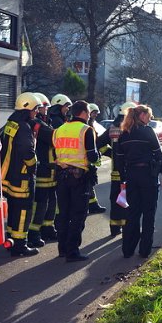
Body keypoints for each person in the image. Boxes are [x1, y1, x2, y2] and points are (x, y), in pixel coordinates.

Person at [116, 104, 162, 258]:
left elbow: (119, 160)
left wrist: (122, 179)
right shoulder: (148, 132)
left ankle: (127, 250)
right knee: (148, 213)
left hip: (131, 176)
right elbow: (159, 156)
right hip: (148, 176)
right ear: (141, 116)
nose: (150, 118)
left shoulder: (124, 134)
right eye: (149, 115)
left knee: (132, 214)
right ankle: (144, 250)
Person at [53, 100, 101, 262]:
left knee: (63, 214)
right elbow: (92, 156)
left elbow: (55, 152)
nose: (89, 116)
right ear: (83, 113)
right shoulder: (86, 130)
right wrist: (98, 158)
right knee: (78, 214)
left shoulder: (59, 130)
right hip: (79, 177)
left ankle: (62, 248)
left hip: (61, 175)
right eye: (88, 113)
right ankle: (72, 251)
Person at [0, 92, 41, 256]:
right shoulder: (24, 128)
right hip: (22, 178)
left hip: (9, 177)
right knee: (23, 210)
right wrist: (33, 167)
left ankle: (11, 239)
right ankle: (20, 245)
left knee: (14, 209)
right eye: (35, 109)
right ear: (27, 108)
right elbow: (27, 152)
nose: (36, 112)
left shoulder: (11, 124)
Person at [97, 101, 138, 236]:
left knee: (116, 199)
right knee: (130, 199)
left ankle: (114, 227)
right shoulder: (131, 128)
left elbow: (98, 144)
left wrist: (111, 154)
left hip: (116, 171)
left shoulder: (112, 128)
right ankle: (127, 227)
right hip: (130, 171)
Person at [27, 92, 58, 247]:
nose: (46, 109)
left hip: (50, 169)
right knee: (40, 203)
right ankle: (33, 232)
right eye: (44, 107)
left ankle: (47, 228)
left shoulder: (46, 121)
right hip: (42, 169)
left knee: (51, 201)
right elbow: (51, 136)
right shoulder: (35, 123)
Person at [86, 102, 107, 214]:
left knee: (90, 183)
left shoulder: (92, 125)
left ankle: (93, 205)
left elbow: (98, 144)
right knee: (88, 183)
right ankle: (91, 206)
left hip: (92, 159)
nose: (95, 115)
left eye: (96, 113)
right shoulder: (88, 127)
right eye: (94, 113)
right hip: (87, 160)